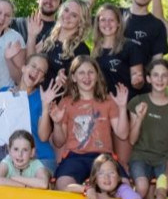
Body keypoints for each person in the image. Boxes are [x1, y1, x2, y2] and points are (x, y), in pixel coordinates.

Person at [50, 56, 129, 190]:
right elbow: (59, 142)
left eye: (91, 72)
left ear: (97, 76)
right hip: (75, 157)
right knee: (63, 184)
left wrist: (122, 108)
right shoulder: (66, 102)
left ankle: (96, 195)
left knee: (124, 186)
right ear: (74, 77)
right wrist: (57, 124)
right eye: (81, 73)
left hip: (104, 156)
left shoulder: (108, 101)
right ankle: (88, 191)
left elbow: (122, 134)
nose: (86, 77)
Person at [127, 59, 168, 199]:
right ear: (148, 78)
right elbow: (132, 140)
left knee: (163, 190)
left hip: (165, 158)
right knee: (142, 187)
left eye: (164, 75)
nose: (160, 79)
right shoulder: (138, 101)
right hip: (140, 156)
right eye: (155, 75)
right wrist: (140, 118)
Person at [4, 54, 61, 175]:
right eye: (33, 66)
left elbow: (43, 137)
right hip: (11, 158)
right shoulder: (3, 92)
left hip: (40, 158)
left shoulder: (43, 98)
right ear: (23, 68)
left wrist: (45, 106)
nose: (35, 71)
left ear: (42, 79)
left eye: (41, 71)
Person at [122, 0, 168, 92]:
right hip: (108, 90)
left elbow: (157, 64)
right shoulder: (116, 16)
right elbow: (83, 19)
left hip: (140, 92)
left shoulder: (157, 26)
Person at [27, 0, 91, 87]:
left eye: (74, 15)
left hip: (52, 95)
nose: (67, 16)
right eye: (66, 10)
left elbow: (79, 84)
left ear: (81, 21)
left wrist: (64, 81)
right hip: (33, 90)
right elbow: (30, 61)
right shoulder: (51, 34)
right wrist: (32, 36)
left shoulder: (81, 50)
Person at [92, 3, 146, 97]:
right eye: (103, 20)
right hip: (103, 102)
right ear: (98, 24)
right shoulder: (96, 49)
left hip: (126, 102)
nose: (107, 23)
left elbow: (138, 84)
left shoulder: (131, 47)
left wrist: (137, 81)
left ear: (118, 23)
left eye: (111, 20)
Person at [71, 154, 144, 199]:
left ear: (118, 177)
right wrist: (88, 189)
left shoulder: (123, 189)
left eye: (111, 173)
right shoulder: (92, 186)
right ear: (95, 178)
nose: (106, 177)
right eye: (101, 173)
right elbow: (67, 187)